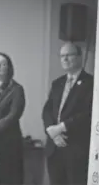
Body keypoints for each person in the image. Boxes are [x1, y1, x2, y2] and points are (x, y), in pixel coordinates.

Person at [42, 42, 94, 185]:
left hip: (76, 148)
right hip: (54, 147)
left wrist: (61, 127)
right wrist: (51, 131)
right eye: (62, 56)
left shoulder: (91, 83)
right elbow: (47, 110)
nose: (64, 59)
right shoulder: (57, 83)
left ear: (79, 57)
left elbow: (88, 114)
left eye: (68, 55)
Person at [0, 52, 25, 185]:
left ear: (9, 69)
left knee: (7, 179)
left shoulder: (16, 89)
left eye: (3, 64)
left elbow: (13, 115)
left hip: (7, 142)